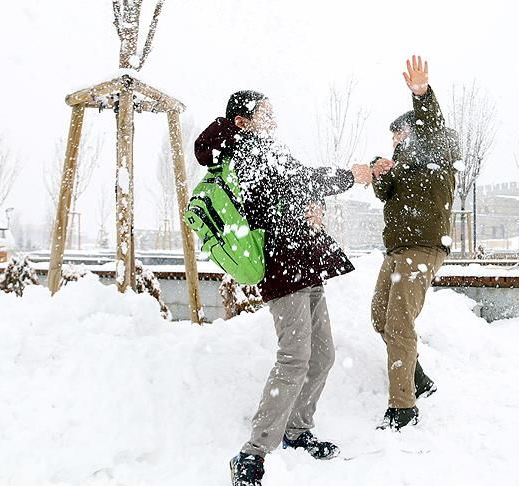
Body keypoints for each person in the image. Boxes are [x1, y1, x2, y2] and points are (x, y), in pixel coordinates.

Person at [194, 90, 373, 486]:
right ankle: (252, 453)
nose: (273, 119)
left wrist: (313, 207)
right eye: (265, 113)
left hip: (304, 263)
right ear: (242, 121)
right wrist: (349, 176)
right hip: (282, 267)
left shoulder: (268, 149)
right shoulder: (244, 150)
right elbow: (296, 183)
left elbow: (296, 188)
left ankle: (297, 430)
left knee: (322, 355)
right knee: (294, 358)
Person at [369, 56, 460, 430]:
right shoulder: (402, 166)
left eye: (400, 136)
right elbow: (384, 193)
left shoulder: (437, 150)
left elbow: (432, 125)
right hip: (397, 249)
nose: (395, 142)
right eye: (393, 138)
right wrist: (379, 171)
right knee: (380, 317)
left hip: (423, 247)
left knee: (399, 323)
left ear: (416, 132)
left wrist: (421, 94)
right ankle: (418, 378)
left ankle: (403, 408)